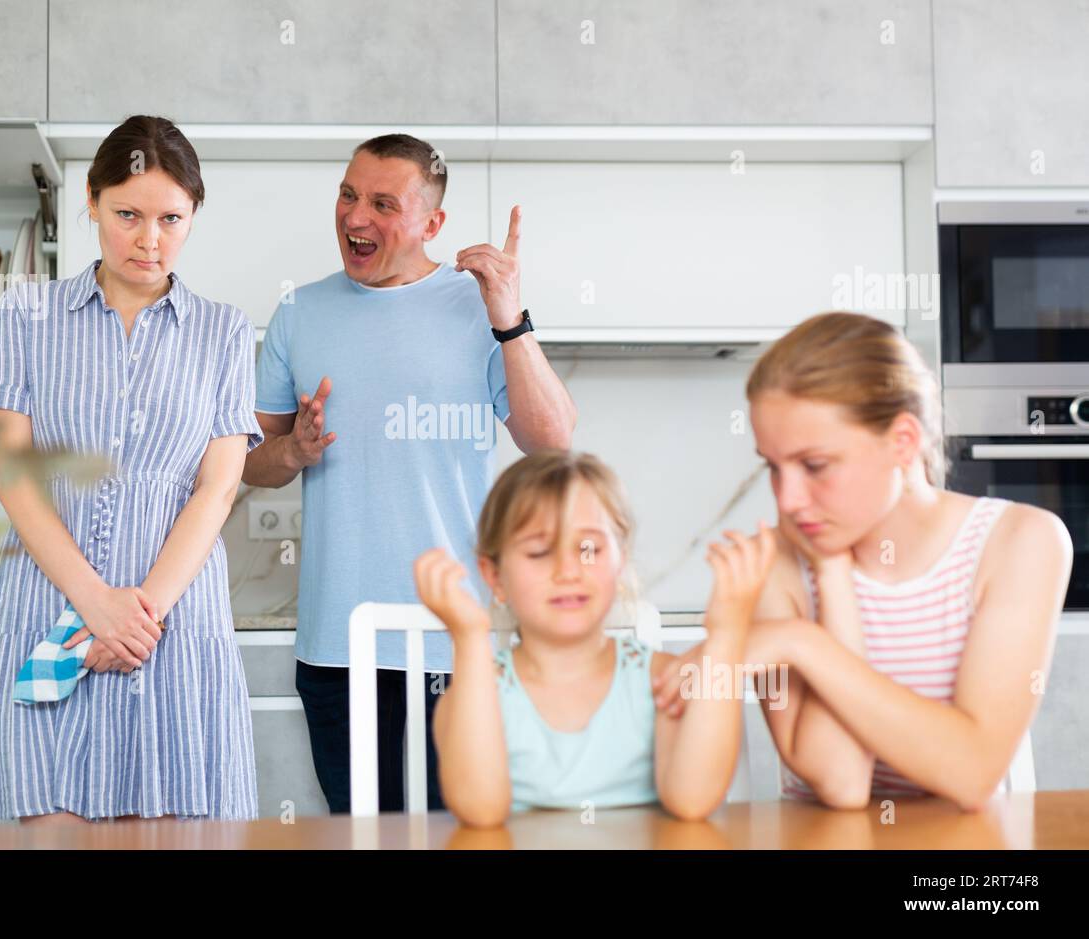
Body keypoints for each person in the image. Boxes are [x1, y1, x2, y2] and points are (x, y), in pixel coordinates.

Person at [243, 133, 576, 813]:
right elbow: (252, 462)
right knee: (360, 836)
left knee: (456, 832)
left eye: (382, 203)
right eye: (347, 194)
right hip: (336, 648)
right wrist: (296, 452)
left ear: (433, 223)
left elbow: (552, 440)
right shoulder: (298, 312)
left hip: (453, 644)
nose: (355, 217)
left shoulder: (479, 306)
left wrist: (510, 319)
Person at [0, 116, 263, 823]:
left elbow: (217, 487)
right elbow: (14, 472)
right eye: (127, 214)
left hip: (173, 631)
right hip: (49, 615)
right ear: (92, 202)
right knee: (47, 827)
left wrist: (136, 617)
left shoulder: (222, 330)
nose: (148, 238)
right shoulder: (28, 313)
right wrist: (93, 603)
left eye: (170, 218)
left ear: (193, 218)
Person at [656, 312, 1071, 811]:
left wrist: (796, 641)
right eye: (773, 466)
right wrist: (832, 578)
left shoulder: (1020, 541)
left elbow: (971, 771)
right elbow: (838, 781)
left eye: (814, 465)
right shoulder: (774, 568)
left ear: (902, 441)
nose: (787, 499)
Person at [416, 450, 773, 825]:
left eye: (589, 549)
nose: (567, 570)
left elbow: (693, 801)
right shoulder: (472, 696)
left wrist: (726, 635)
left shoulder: (662, 680)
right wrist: (471, 638)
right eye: (539, 552)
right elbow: (480, 810)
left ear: (620, 561)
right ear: (494, 577)